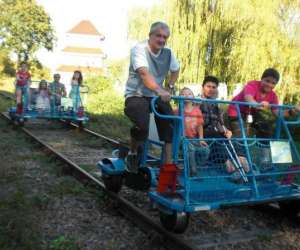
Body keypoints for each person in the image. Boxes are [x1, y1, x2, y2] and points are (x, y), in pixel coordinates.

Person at [124, 21, 180, 173]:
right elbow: (144, 73)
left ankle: (167, 166)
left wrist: (170, 86)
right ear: (150, 35)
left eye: (165, 37)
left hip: (156, 96)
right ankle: (133, 153)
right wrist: (160, 90)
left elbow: (176, 70)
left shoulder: (168, 52)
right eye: (159, 36)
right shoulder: (139, 49)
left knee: (171, 124)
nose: (162, 40)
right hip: (137, 94)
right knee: (142, 125)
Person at [199, 76, 249, 180]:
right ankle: (235, 170)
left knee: (234, 142)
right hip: (204, 135)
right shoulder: (196, 103)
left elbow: (219, 124)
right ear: (203, 87)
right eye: (208, 86)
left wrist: (226, 130)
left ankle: (244, 166)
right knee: (221, 146)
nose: (211, 89)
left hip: (215, 133)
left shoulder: (216, 105)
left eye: (214, 87)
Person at [175, 87, 208, 176]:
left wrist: (201, 138)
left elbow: (200, 125)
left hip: (193, 138)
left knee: (206, 149)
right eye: (183, 94)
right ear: (179, 97)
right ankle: (192, 171)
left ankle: (196, 165)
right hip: (181, 138)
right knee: (190, 148)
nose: (186, 95)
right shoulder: (177, 111)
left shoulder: (197, 111)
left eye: (189, 93)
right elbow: (172, 125)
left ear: (193, 96)